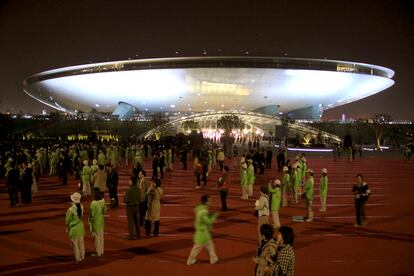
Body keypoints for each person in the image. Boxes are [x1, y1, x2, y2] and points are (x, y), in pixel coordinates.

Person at [187, 195, 219, 265]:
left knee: (209, 245)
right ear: (206, 202)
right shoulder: (203, 211)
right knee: (197, 247)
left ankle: (213, 258)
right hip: (202, 232)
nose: (211, 202)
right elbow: (207, 221)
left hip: (203, 231)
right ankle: (190, 260)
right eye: (209, 201)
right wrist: (214, 216)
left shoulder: (200, 208)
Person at [65, 192, 85, 264]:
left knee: (75, 245)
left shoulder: (70, 210)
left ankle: (77, 258)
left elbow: (67, 220)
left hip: (74, 229)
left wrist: (67, 227)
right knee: (81, 243)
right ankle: (82, 256)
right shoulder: (82, 206)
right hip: (81, 228)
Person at [89, 188, 106, 256]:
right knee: (101, 237)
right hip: (101, 220)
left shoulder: (93, 203)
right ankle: (101, 251)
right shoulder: (103, 200)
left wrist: (90, 220)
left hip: (95, 222)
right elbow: (104, 211)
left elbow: (92, 214)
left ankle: (98, 252)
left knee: (96, 238)